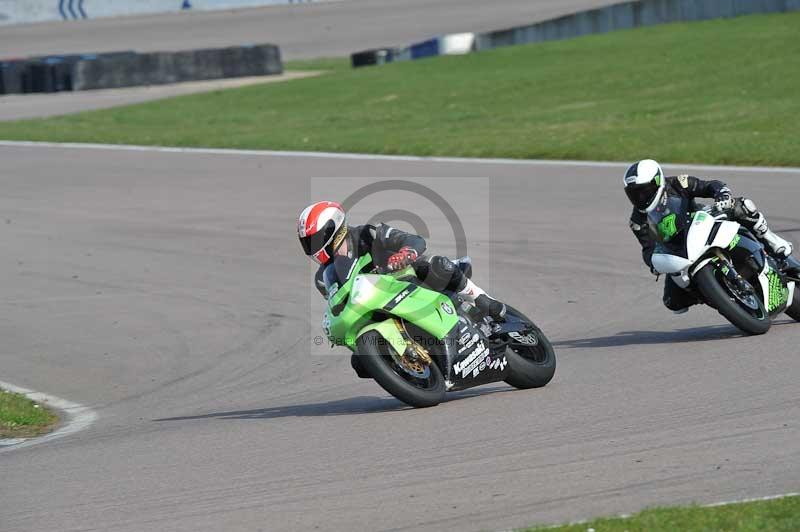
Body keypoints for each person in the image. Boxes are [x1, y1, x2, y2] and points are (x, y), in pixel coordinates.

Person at [623, 159, 794, 313]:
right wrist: (653, 264)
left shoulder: (677, 184)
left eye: (644, 191)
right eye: (634, 194)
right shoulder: (637, 221)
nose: (640, 197)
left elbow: (709, 186)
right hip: (679, 251)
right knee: (672, 302)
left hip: (702, 222)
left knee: (742, 206)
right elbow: (647, 249)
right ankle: (716, 294)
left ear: (658, 181)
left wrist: (722, 194)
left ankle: (771, 241)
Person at [297, 200, 506, 320]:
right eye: (308, 242)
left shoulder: (368, 235)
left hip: (410, 282)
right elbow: (338, 308)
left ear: (333, 228)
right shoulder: (323, 279)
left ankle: (481, 299)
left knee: (436, 264)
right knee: (360, 364)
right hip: (379, 308)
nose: (313, 247)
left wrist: (405, 254)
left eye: (315, 240)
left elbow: (413, 240)